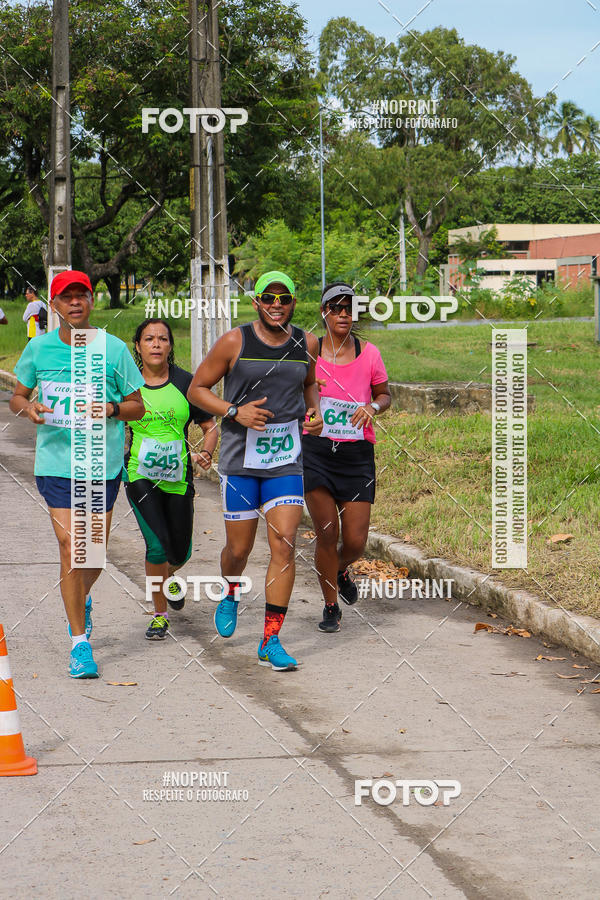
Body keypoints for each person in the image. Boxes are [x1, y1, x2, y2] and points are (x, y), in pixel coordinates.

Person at [9, 270, 145, 678]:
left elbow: (137, 405)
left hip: (101, 464)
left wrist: (112, 409)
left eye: (81, 295)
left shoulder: (114, 349)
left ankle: (80, 595)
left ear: (91, 301)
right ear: (54, 305)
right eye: (66, 296)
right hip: (55, 463)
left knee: (94, 553)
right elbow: (17, 395)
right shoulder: (39, 348)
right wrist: (27, 408)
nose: (75, 302)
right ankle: (79, 643)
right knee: (71, 544)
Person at [187, 270, 323, 671]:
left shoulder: (306, 342)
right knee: (240, 550)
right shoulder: (235, 341)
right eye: (269, 297)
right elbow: (198, 389)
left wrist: (313, 411)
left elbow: (309, 385)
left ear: (294, 302)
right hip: (240, 459)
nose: (276, 304)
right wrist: (234, 411)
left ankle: (270, 639)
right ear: (256, 301)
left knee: (284, 544)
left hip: (285, 458)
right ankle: (230, 592)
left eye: (284, 298)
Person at [302, 282, 391, 633]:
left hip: (356, 454)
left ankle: (338, 569)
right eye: (335, 307)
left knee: (354, 541)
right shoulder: (309, 352)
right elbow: (291, 391)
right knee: (327, 533)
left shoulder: (369, 353)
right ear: (324, 312)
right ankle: (329, 606)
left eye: (348, 308)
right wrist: (308, 400)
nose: (342, 314)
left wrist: (372, 407)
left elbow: (385, 394)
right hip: (316, 450)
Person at [124, 318, 219, 641]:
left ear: (170, 346)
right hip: (138, 474)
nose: (155, 344)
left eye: (162, 339)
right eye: (148, 339)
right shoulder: (127, 383)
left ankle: (168, 580)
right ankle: (159, 614)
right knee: (156, 547)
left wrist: (206, 452)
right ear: (138, 346)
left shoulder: (186, 383)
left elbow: (209, 426)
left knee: (180, 553)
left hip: (178, 478)